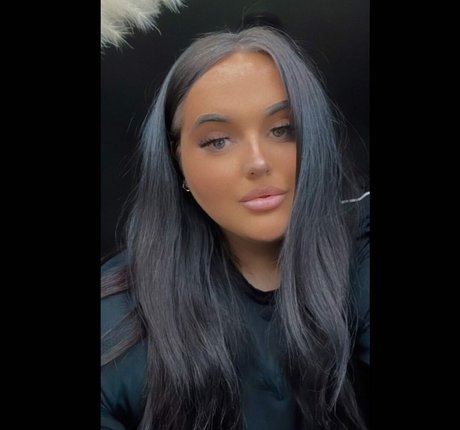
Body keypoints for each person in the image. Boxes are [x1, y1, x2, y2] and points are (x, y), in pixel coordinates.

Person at [101, 25, 369, 430]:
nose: (258, 162)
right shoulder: (115, 321)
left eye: (282, 129)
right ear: (177, 161)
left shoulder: (360, 252)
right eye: (218, 141)